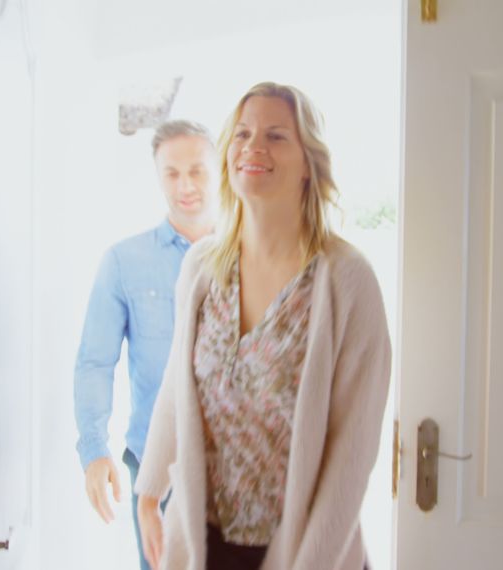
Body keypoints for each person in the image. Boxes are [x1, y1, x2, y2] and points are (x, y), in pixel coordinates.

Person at [135, 82, 392, 570]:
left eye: (276, 136)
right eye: (243, 134)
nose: (254, 147)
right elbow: (177, 385)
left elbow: (351, 457)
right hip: (208, 546)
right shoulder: (201, 267)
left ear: (307, 166)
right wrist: (150, 491)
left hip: (308, 552)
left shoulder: (346, 280)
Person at [74, 120, 218, 570]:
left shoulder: (253, 252)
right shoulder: (123, 261)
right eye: (172, 173)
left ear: (219, 171)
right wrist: (94, 450)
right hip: (158, 464)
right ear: (158, 177)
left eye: (197, 170)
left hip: (236, 463)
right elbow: (95, 361)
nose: (185, 185)